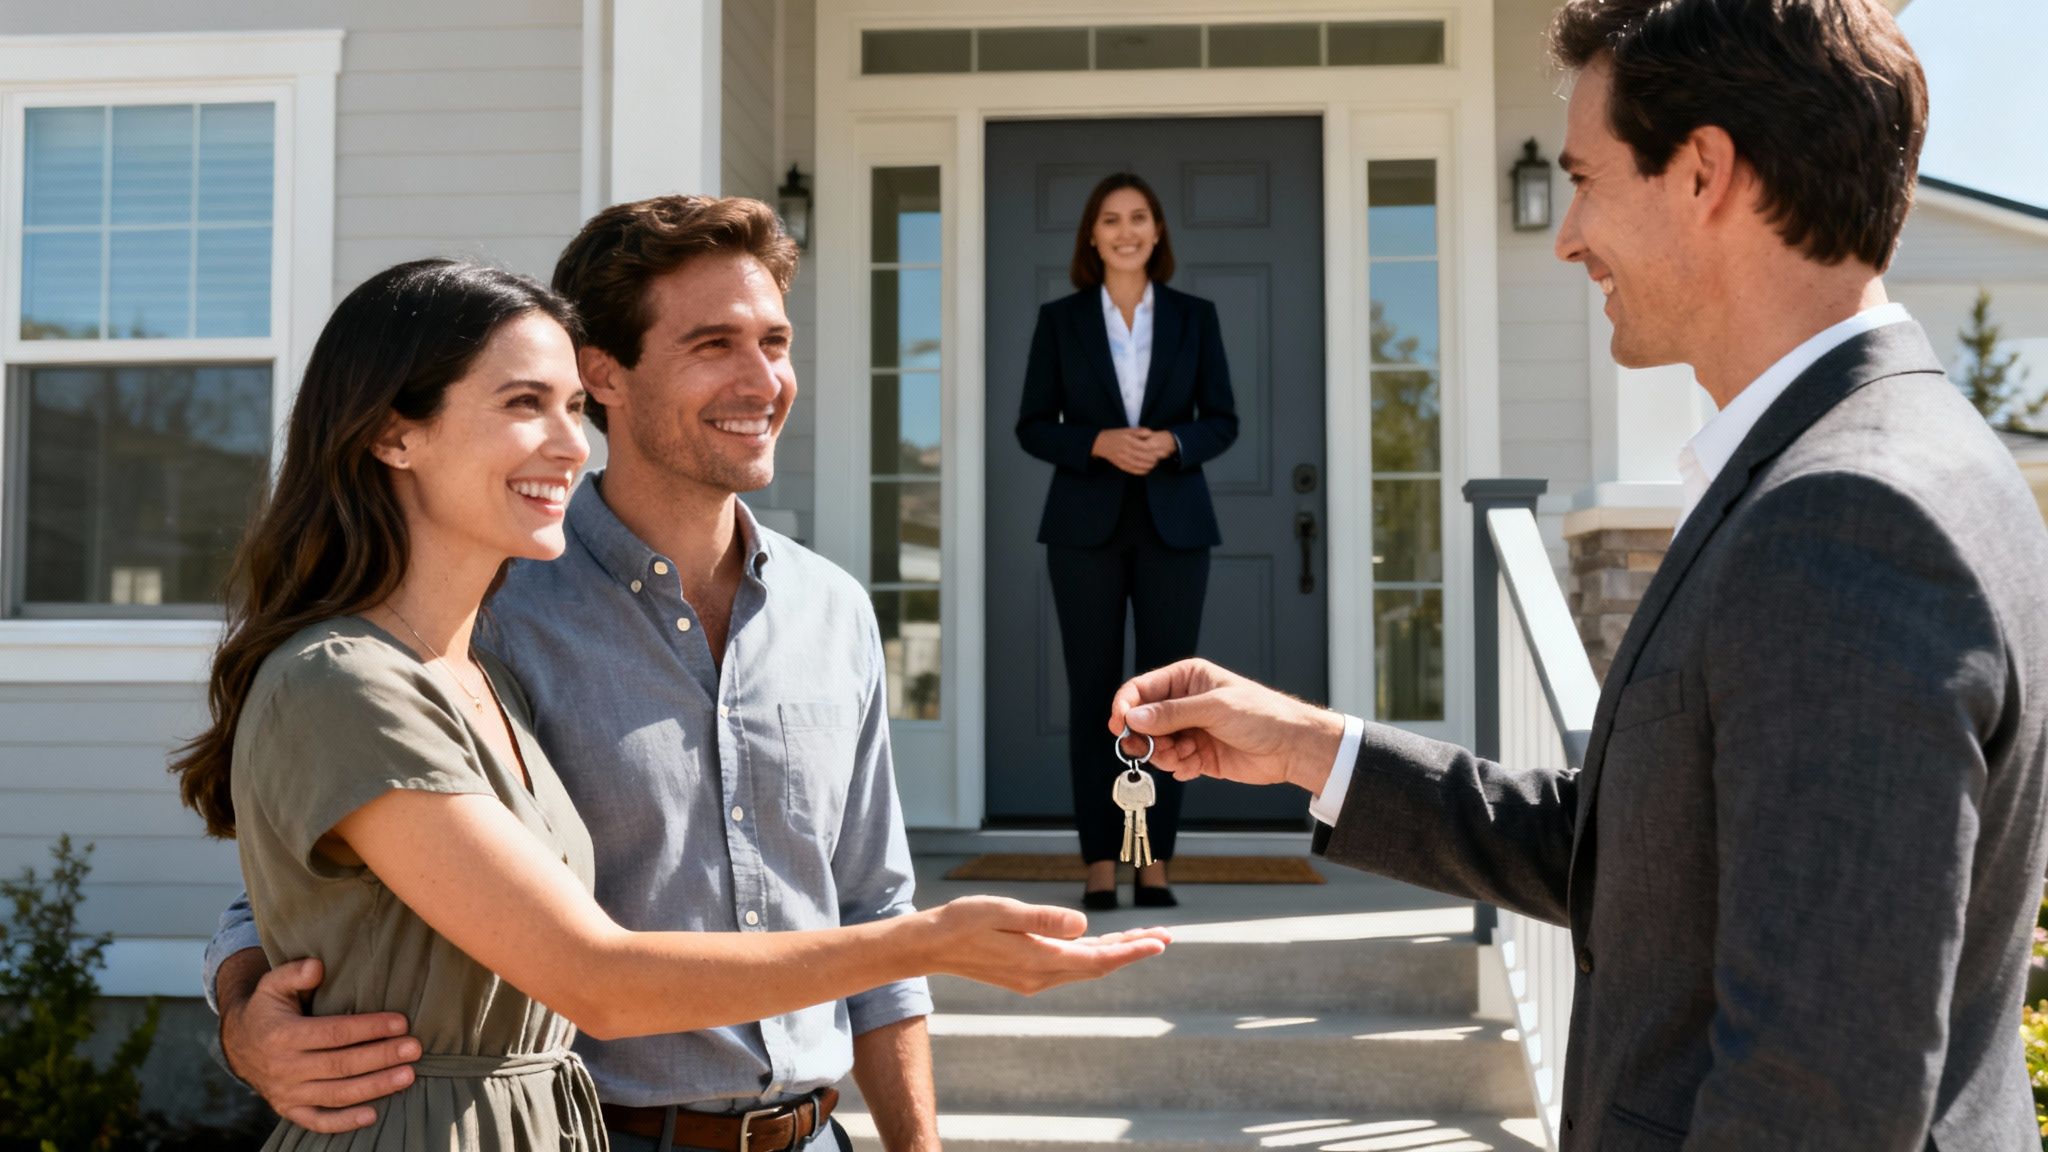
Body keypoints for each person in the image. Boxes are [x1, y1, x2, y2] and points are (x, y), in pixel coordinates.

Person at [1110, 1, 2048, 1147]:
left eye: (1587, 178)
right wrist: (1307, 747)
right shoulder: (1881, 455)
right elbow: (1631, 858)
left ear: (1702, 171)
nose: (1563, 236)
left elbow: (1815, 1103)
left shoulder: (1843, 519)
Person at [187, 246, 1166, 1150]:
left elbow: (868, 891)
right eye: (713, 344)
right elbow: (320, 898)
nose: (761, 380)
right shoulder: (467, 622)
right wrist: (245, 1017)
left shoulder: (823, 610)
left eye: (774, 342)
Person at [1015, 172, 1237, 911]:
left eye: (1139, 217)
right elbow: (1032, 425)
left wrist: (1173, 440)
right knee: (1094, 697)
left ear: (1158, 231)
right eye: (1110, 219)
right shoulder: (1061, 320)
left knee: (1170, 701)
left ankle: (1156, 861)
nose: (1126, 231)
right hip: (1085, 529)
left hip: (1175, 525)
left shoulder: (1194, 317)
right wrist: (1098, 444)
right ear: (1091, 235)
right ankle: (1099, 862)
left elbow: (1224, 420)